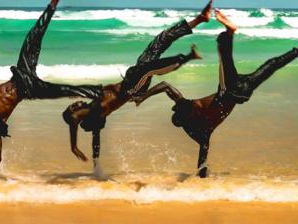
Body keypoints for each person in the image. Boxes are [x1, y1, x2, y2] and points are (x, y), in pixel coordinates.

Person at [132, 9, 298, 178]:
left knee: (273, 64)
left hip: (242, 92)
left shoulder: (197, 126)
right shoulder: (194, 119)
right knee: (227, 55)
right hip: (229, 91)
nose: (190, 106)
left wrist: (143, 96)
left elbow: (166, 86)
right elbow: (166, 87)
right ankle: (230, 32)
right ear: (185, 116)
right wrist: (143, 96)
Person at [0, 0, 103, 178]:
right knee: (64, 90)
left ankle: (52, 5)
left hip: (20, 75)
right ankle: (100, 92)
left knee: (33, 36)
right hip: (29, 89)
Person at [62, 1, 213, 172]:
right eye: (73, 108)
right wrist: (73, 146)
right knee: (148, 70)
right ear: (78, 115)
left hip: (130, 80)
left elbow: (96, 141)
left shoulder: (95, 108)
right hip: (132, 88)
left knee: (160, 41)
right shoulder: (96, 110)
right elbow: (74, 120)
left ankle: (200, 19)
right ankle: (186, 57)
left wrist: (96, 164)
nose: (75, 105)